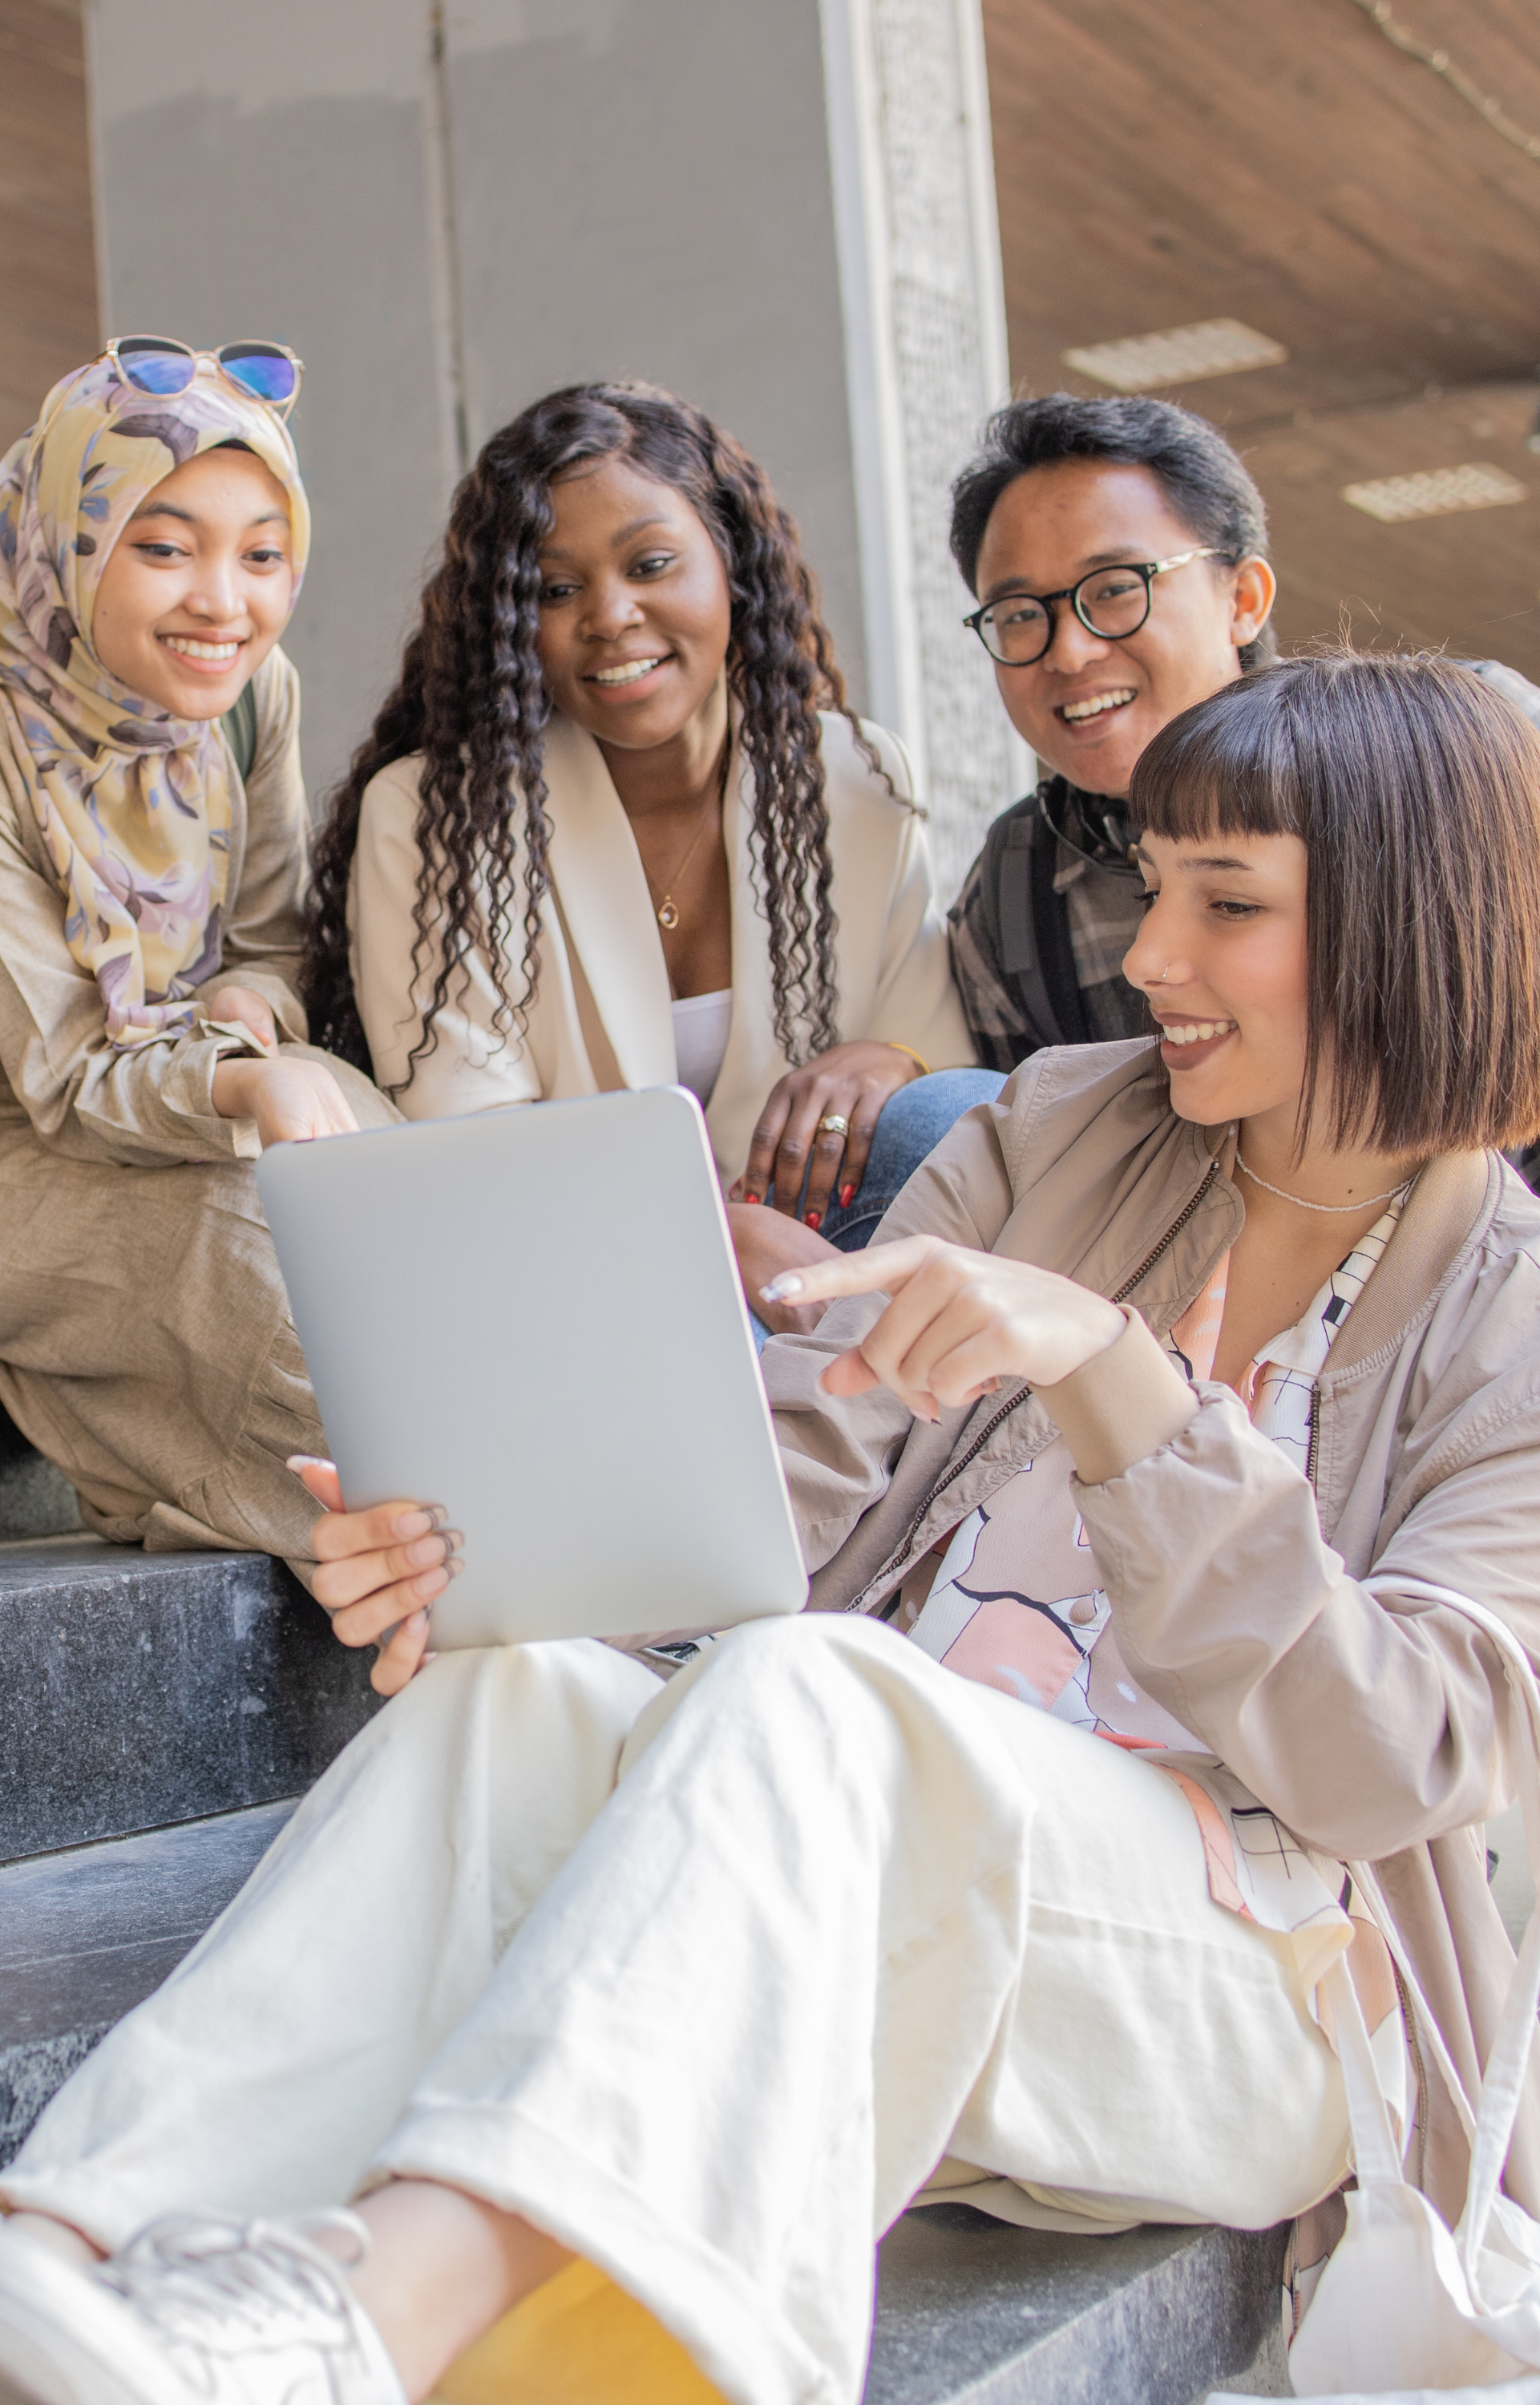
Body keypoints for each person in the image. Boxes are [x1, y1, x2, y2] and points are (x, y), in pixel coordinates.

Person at [4, 655, 1540, 2405]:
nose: (1149, 956)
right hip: (884, 1885)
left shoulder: (1513, 1322)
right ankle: (74, 2253)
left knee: (818, 1693)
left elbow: (1400, 1761)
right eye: (1155, 880)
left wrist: (1121, 1386)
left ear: (1417, 928)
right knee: (527, 1698)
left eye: (1228, 903)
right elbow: (783, 1474)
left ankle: (365, 2321)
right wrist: (489, 1539)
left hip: (1261, 1988)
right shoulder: (1056, 1131)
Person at [301, 382, 986, 1332]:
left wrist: (892, 1061)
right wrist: (705, 1234)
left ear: (732, 564)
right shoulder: (434, 816)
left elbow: (942, 1058)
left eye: (651, 563)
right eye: (554, 588)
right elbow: (469, 1142)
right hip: (581, 1274)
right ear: (510, 623)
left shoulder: (852, 777)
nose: (611, 614)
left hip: (823, 1246)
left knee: (955, 1114)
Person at [0, 348, 394, 1564]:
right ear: (72, 539)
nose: (224, 602)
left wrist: (246, 1010)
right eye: (165, 547)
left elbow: (272, 942)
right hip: (31, 1122)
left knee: (406, 1212)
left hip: (184, 1075)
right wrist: (235, 1078)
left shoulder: (246, 695)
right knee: (272, 1283)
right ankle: (427, 1564)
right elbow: (60, 1075)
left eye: (261, 554)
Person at [945, 390, 1540, 1083]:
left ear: (1243, 600)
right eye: (1018, 613)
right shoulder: (1018, 891)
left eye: (1111, 588)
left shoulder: (1465, 746)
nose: (1069, 652)